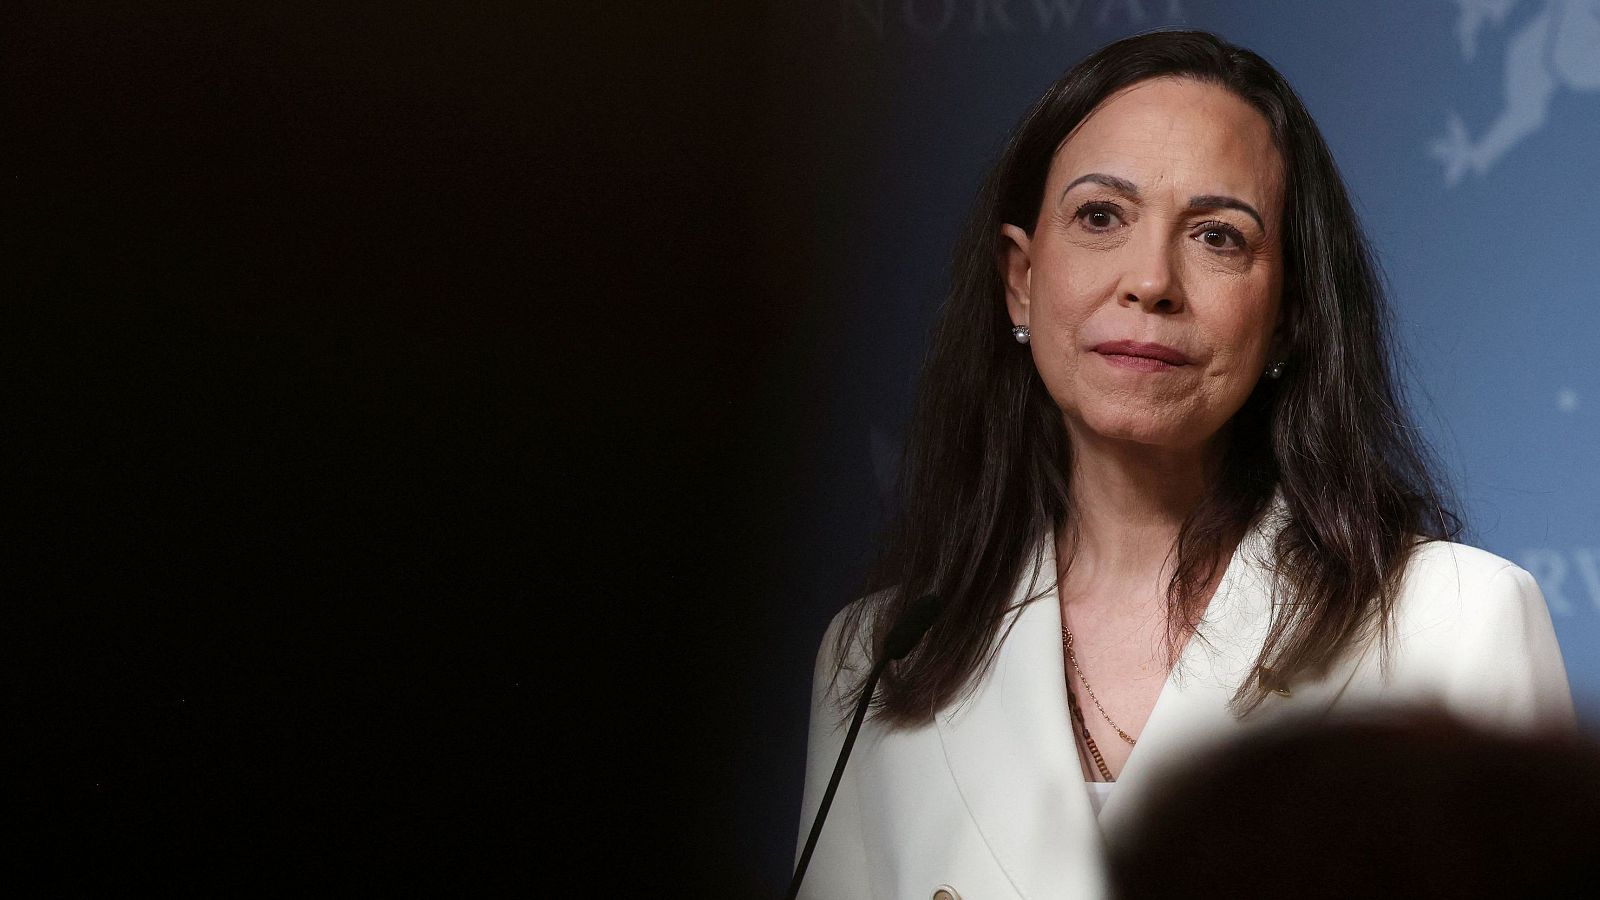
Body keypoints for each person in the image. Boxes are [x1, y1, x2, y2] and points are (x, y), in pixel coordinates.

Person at [794, 29, 1573, 900]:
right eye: (1100, 218)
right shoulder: (878, 660)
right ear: (1020, 279)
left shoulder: (1458, 621)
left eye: (1218, 236)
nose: (1150, 280)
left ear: (1288, 314)